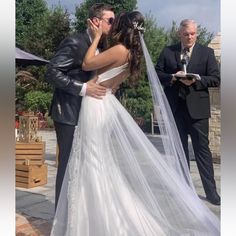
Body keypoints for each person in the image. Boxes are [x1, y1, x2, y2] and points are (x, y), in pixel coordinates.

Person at [50, 12, 220, 235]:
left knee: (92, 160)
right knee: (97, 159)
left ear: (123, 27)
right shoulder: (131, 54)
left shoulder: (120, 49)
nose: (111, 25)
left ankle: (95, 217)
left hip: (95, 104)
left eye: (115, 22)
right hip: (105, 103)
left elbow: (86, 63)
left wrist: (97, 36)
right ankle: (95, 211)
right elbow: (111, 81)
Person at [45, 3, 115, 208]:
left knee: (85, 165)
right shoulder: (75, 41)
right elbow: (51, 72)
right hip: (68, 112)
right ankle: (61, 217)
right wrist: (83, 88)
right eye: (110, 20)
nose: (113, 24)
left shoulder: (102, 45)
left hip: (90, 114)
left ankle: (78, 213)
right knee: (67, 166)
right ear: (96, 21)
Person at [155, 19, 221, 205]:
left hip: (198, 111)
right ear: (179, 34)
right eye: (186, 34)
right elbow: (157, 73)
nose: (189, 37)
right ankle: (183, 191)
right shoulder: (168, 51)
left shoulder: (206, 53)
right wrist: (173, 78)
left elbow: (216, 79)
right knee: (179, 151)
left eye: (192, 33)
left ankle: (212, 193)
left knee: (202, 151)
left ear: (196, 33)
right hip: (175, 109)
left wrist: (197, 80)